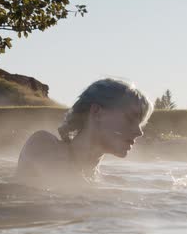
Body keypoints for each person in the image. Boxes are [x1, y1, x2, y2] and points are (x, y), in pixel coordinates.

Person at [16, 78, 153, 188]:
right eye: (130, 118)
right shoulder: (42, 145)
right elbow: (67, 189)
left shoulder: (105, 182)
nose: (139, 132)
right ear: (97, 112)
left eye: (140, 123)